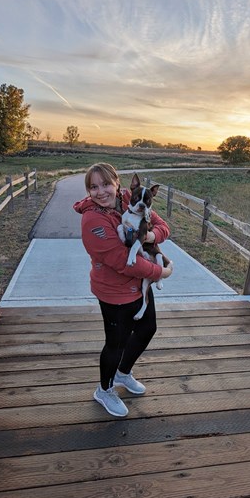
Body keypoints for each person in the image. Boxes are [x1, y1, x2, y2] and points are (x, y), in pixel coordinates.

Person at [73, 163, 173, 417]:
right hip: (113, 291)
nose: (100, 191)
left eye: (106, 184)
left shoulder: (131, 197)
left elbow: (162, 226)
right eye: (93, 187)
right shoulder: (93, 219)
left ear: (118, 183)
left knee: (147, 328)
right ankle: (104, 390)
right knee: (115, 344)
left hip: (139, 286)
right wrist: (161, 272)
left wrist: (150, 237)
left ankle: (123, 373)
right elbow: (121, 261)